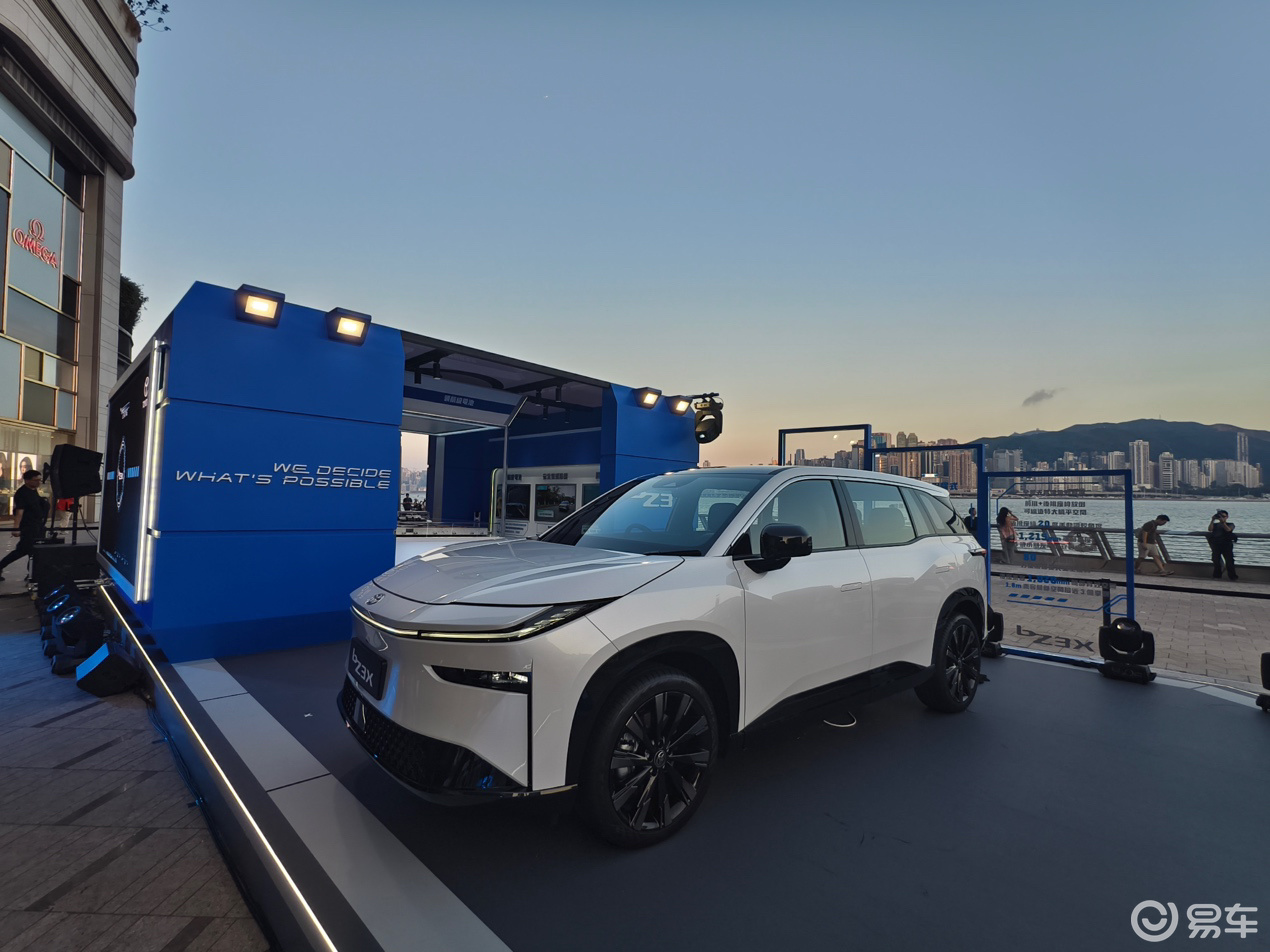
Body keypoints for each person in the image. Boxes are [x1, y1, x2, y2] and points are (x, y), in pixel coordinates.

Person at [0, 470, 50, 582]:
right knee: (23, 550)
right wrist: (16, 528)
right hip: (29, 526)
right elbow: (19, 512)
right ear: (27, 480)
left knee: (33, 551)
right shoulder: (22, 493)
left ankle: (32, 573)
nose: (38, 482)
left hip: (37, 526)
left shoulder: (33, 491)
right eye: (35, 480)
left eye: (39, 480)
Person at [1207, 510, 1238, 581]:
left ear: (1227, 517)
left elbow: (1228, 530)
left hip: (1227, 544)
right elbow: (1210, 529)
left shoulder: (1230, 524)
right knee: (1216, 561)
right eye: (1220, 516)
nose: (1222, 518)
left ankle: (1232, 577)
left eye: (1223, 516)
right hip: (1216, 544)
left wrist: (1223, 523)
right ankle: (1217, 576)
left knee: (1229, 561)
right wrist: (1212, 520)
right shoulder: (1215, 525)